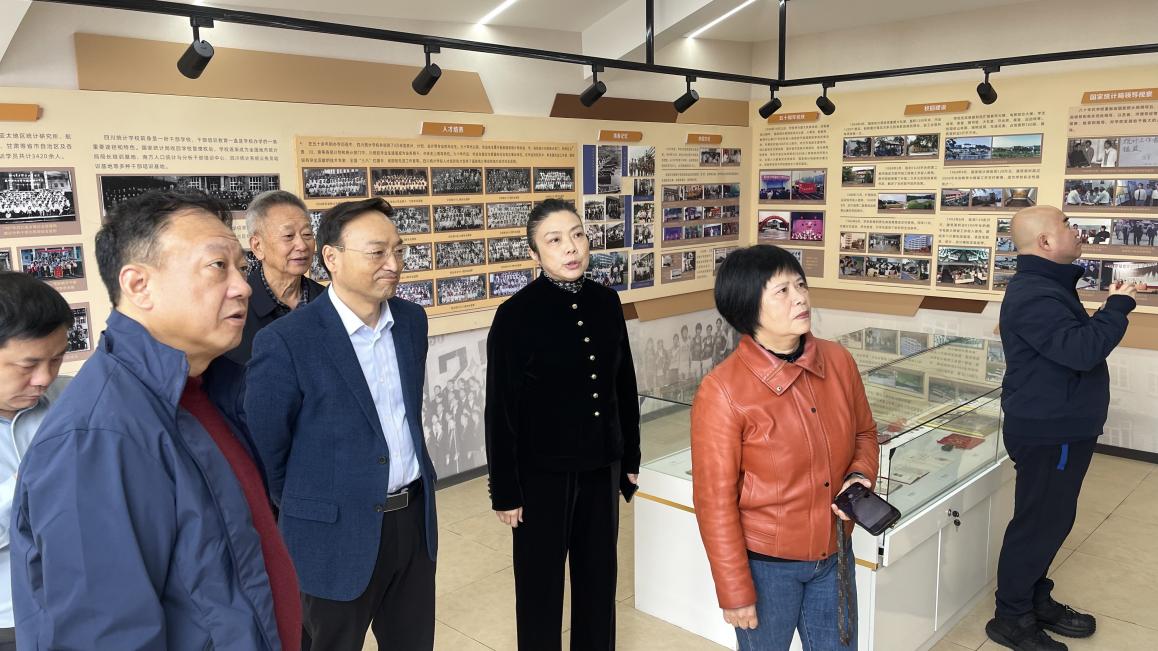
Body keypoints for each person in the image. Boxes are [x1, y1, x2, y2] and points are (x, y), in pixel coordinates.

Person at [11, 191, 299, 650]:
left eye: (241, 267)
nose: (243, 287)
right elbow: (104, 636)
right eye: (217, 266)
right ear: (138, 285)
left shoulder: (209, 388)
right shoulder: (98, 437)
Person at [246, 197, 438, 651]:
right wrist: (313, 505)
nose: (393, 264)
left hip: (412, 522)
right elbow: (267, 450)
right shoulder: (287, 340)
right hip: (331, 534)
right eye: (377, 252)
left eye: (398, 250)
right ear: (332, 258)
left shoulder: (411, 321)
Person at [691, 244, 879, 651]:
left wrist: (858, 475)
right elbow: (714, 502)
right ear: (748, 307)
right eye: (782, 290)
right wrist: (734, 588)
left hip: (835, 552)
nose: (800, 298)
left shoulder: (838, 360)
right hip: (766, 567)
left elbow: (865, 433)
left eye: (801, 285)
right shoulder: (721, 390)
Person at [485, 198, 640, 651]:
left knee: (599, 581)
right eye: (554, 240)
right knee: (540, 589)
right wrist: (505, 490)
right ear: (534, 253)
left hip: (601, 466)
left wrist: (630, 456)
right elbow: (500, 411)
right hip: (541, 476)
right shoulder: (515, 315)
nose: (571, 248)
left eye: (577, 235)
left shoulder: (606, 301)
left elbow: (623, 384)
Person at [987, 205, 1138, 651]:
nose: (1077, 231)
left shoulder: (1048, 287)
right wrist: (1117, 307)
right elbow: (1082, 351)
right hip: (1049, 431)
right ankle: (1011, 618)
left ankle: (1034, 599)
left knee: (1052, 521)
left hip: (1061, 426)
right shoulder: (1034, 293)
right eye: (1067, 225)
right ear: (1046, 242)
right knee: (1038, 525)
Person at [0, 273, 73, 651]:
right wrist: (28, 480)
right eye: (27, 365)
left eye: (56, 359)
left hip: (85, 606)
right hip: (9, 624)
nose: (44, 378)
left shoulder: (75, 399)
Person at [224, 190, 326, 365]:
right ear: (257, 246)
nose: (302, 245)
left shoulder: (327, 300)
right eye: (288, 236)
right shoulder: (235, 307)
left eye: (307, 234)